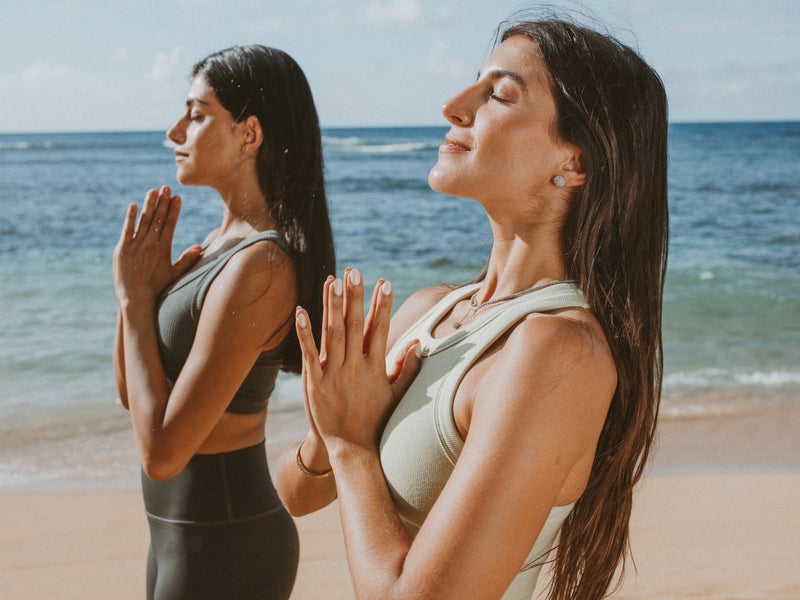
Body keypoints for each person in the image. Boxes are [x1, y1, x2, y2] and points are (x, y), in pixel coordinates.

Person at [276, 16, 668, 600]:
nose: (453, 106)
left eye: (500, 95)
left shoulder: (558, 353)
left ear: (576, 163)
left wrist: (353, 446)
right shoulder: (431, 311)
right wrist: (332, 421)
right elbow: (295, 494)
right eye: (472, 85)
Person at [112, 45, 335, 600]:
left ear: (248, 134)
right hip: (176, 535)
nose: (173, 131)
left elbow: (163, 454)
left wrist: (139, 303)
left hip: (228, 541)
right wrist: (134, 300)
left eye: (195, 113)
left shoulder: (261, 265)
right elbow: (132, 397)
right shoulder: (216, 249)